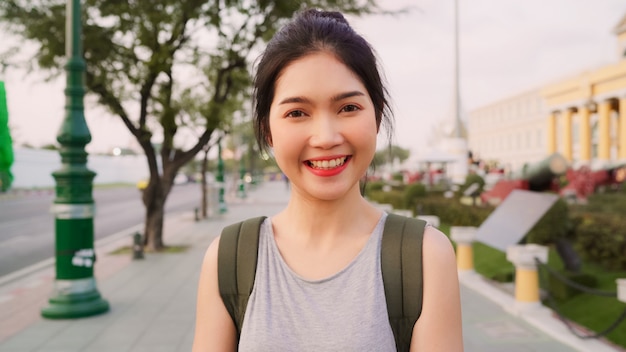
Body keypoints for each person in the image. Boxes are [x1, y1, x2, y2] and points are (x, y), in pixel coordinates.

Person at [193, 8, 463, 351]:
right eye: (297, 113)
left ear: (377, 116)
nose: (325, 137)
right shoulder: (229, 258)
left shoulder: (424, 258)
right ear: (268, 131)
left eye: (348, 108)